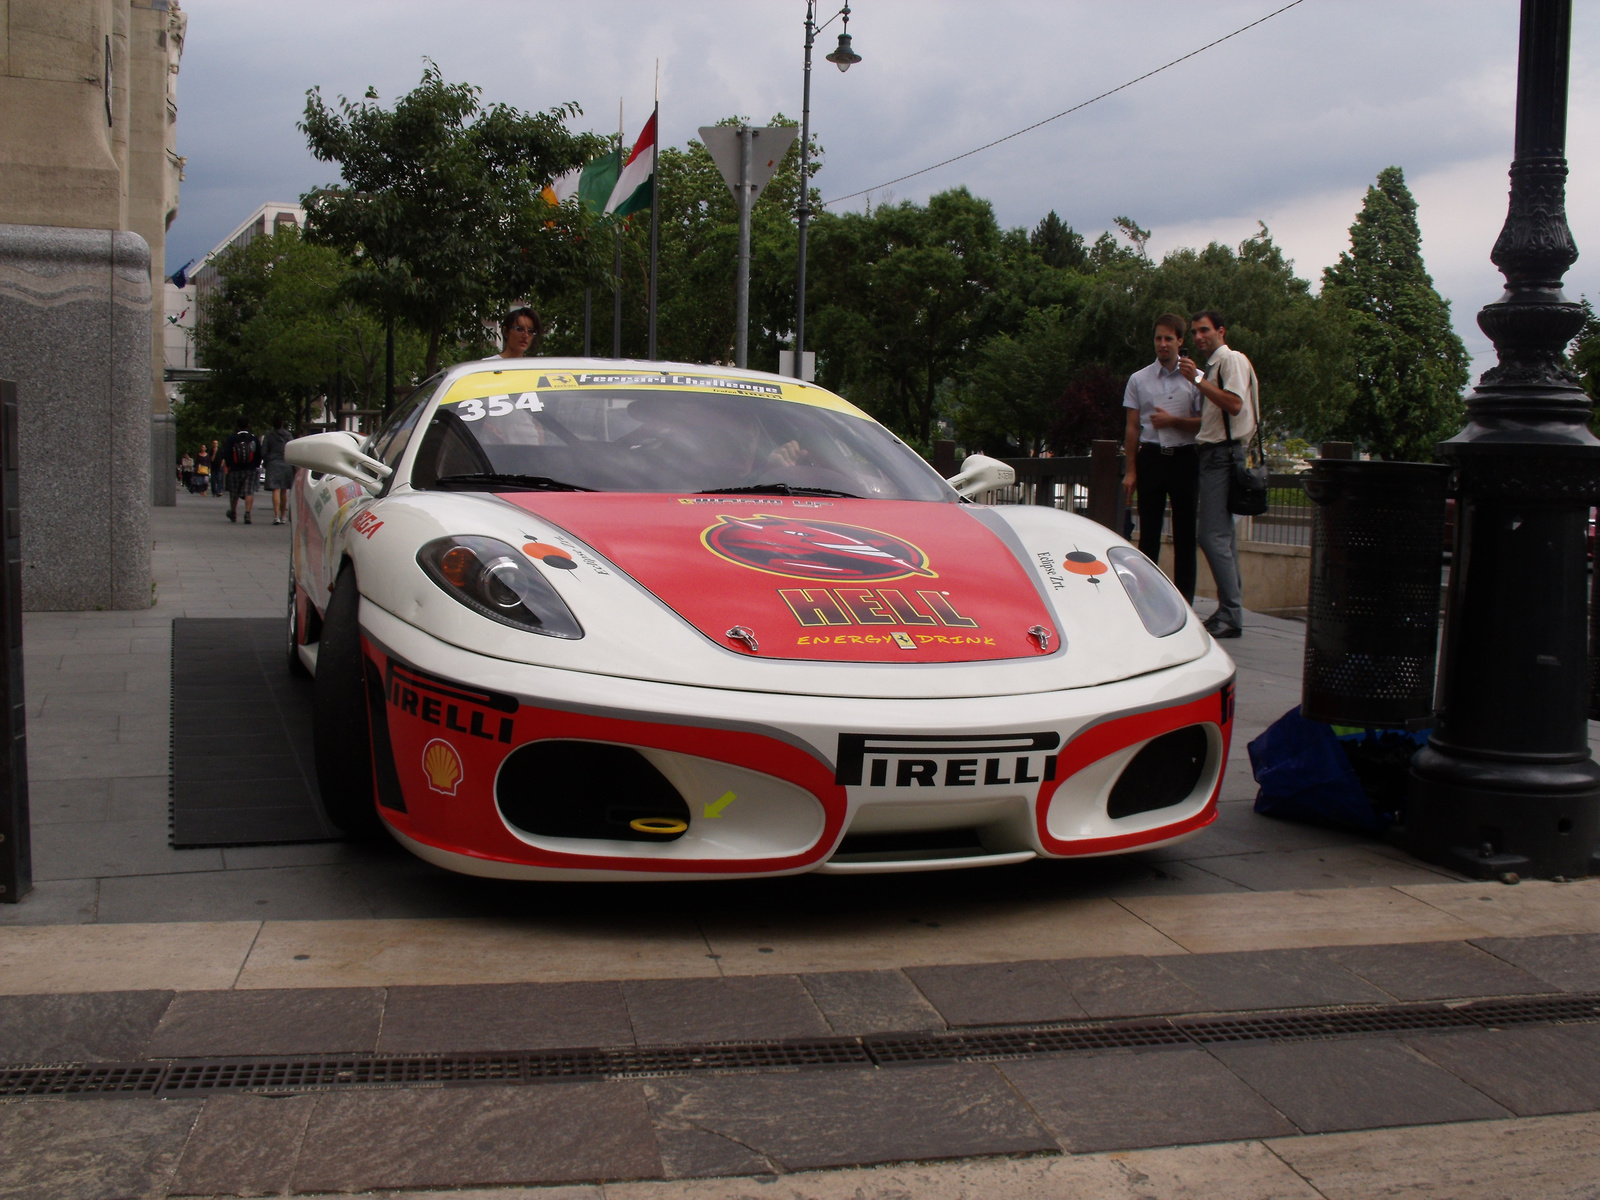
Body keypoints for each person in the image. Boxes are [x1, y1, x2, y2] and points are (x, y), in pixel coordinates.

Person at [1180, 310, 1259, 640]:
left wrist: (1197, 381)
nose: (1199, 337)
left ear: (1221, 331)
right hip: (1218, 454)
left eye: (1205, 331)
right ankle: (1230, 611)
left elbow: (1235, 404)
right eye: (1196, 332)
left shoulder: (1230, 361)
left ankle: (1230, 612)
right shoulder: (1216, 366)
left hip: (1223, 455)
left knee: (1211, 536)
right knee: (1223, 536)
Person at [1122, 314, 1202, 602]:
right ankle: (1147, 600)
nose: (1163, 344)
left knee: (1184, 534)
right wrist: (1131, 470)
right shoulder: (1139, 379)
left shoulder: (1195, 379)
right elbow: (1132, 428)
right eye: (1158, 338)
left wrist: (1173, 421)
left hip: (1184, 457)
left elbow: (1205, 424)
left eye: (1169, 338)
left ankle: (1185, 602)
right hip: (1152, 457)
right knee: (1149, 534)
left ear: (1180, 341)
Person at [216, 420, 262, 524]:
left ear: (237, 426)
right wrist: (255, 465)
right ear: (248, 425)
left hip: (235, 469)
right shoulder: (253, 438)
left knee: (234, 492)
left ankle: (233, 512)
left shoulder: (232, 438)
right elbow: (258, 453)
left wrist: (229, 465)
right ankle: (247, 513)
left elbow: (227, 453)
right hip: (250, 469)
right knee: (249, 491)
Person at [261, 417, 294, 525]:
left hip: (273, 464)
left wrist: (267, 462)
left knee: (276, 490)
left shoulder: (269, 436)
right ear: (282, 423)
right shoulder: (288, 435)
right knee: (284, 490)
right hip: (286, 464)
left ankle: (276, 516)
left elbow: (264, 451)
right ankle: (283, 515)